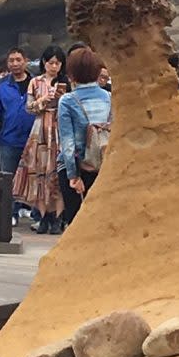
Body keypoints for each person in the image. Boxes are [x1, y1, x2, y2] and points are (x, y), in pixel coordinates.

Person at [13, 45, 67, 235]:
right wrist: (44, 99)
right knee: (40, 172)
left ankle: (58, 217)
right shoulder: (35, 82)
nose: (54, 67)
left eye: (57, 63)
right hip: (41, 129)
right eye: (51, 62)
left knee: (58, 173)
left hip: (60, 129)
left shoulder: (66, 82)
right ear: (44, 62)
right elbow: (29, 108)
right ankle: (43, 216)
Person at [56, 47, 112, 227]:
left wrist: (73, 176)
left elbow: (68, 143)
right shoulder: (110, 97)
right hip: (103, 166)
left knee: (75, 223)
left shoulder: (67, 100)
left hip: (77, 166)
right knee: (100, 222)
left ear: (71, 73)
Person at [0, 47, 35, 176]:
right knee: (7, 181)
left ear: (26, 61)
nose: (15, 64)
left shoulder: (36, 84)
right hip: (9, 142)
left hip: (34, 141)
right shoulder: (0, 86)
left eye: (18, 60)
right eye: (11, 60)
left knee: (32, 180)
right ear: (7, 63)